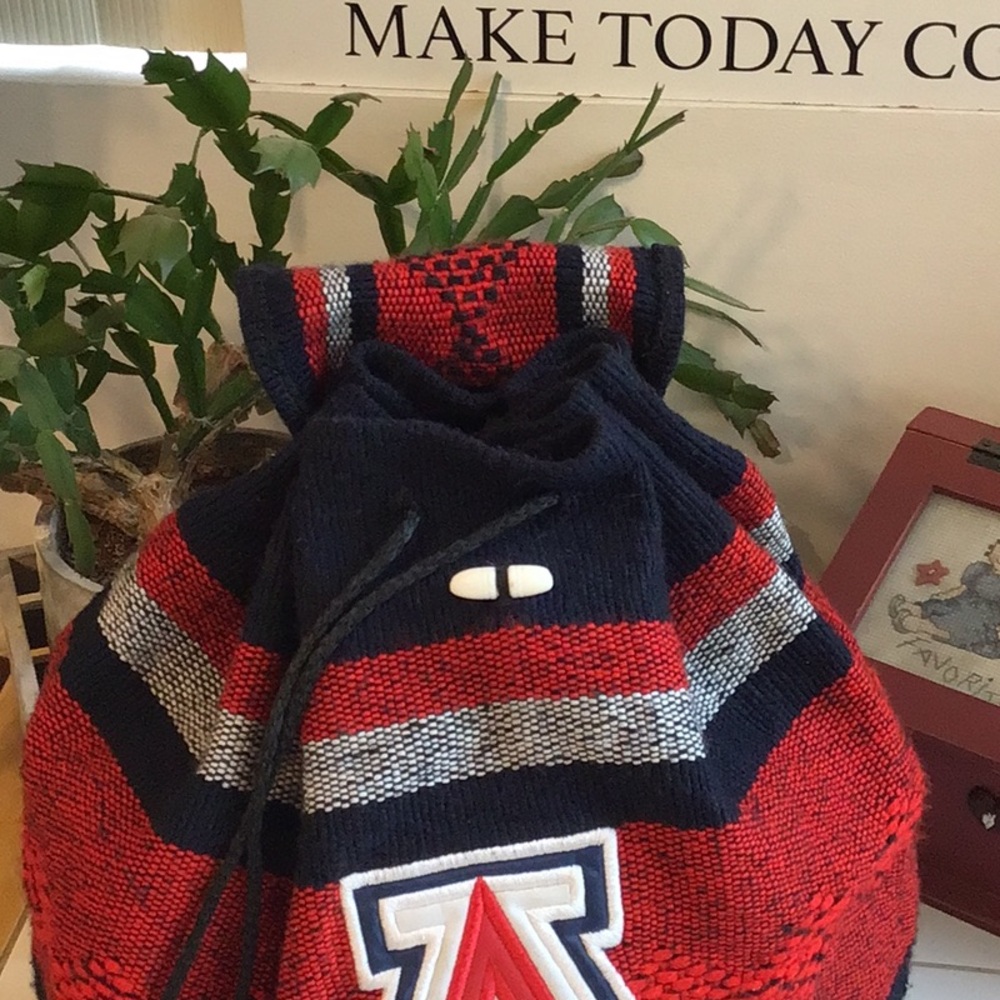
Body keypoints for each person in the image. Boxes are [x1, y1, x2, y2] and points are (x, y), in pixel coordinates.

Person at [889, 539, 1000, 659]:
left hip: (984, 617)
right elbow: (961, 588)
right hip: (962, 601)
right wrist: (945, 594)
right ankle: (914, 609)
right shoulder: (980, 569)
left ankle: (922, 626)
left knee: (964, 627)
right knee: (941, 605)